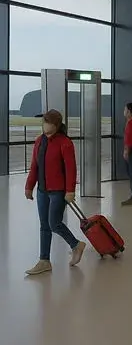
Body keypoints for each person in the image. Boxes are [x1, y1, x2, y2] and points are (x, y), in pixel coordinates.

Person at [24, 109, 87, 275]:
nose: (45, 125)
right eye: (44, 121)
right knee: (44, 225)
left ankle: (76, 245)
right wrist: (29, 186)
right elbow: (34, 167)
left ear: (56, 125)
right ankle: (44, 260)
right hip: (42, 190)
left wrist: (70, 190)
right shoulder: (39, 141)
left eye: (49, 122)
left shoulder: (65, 142)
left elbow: (71, 168)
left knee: (54, 223)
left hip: (59, 191)